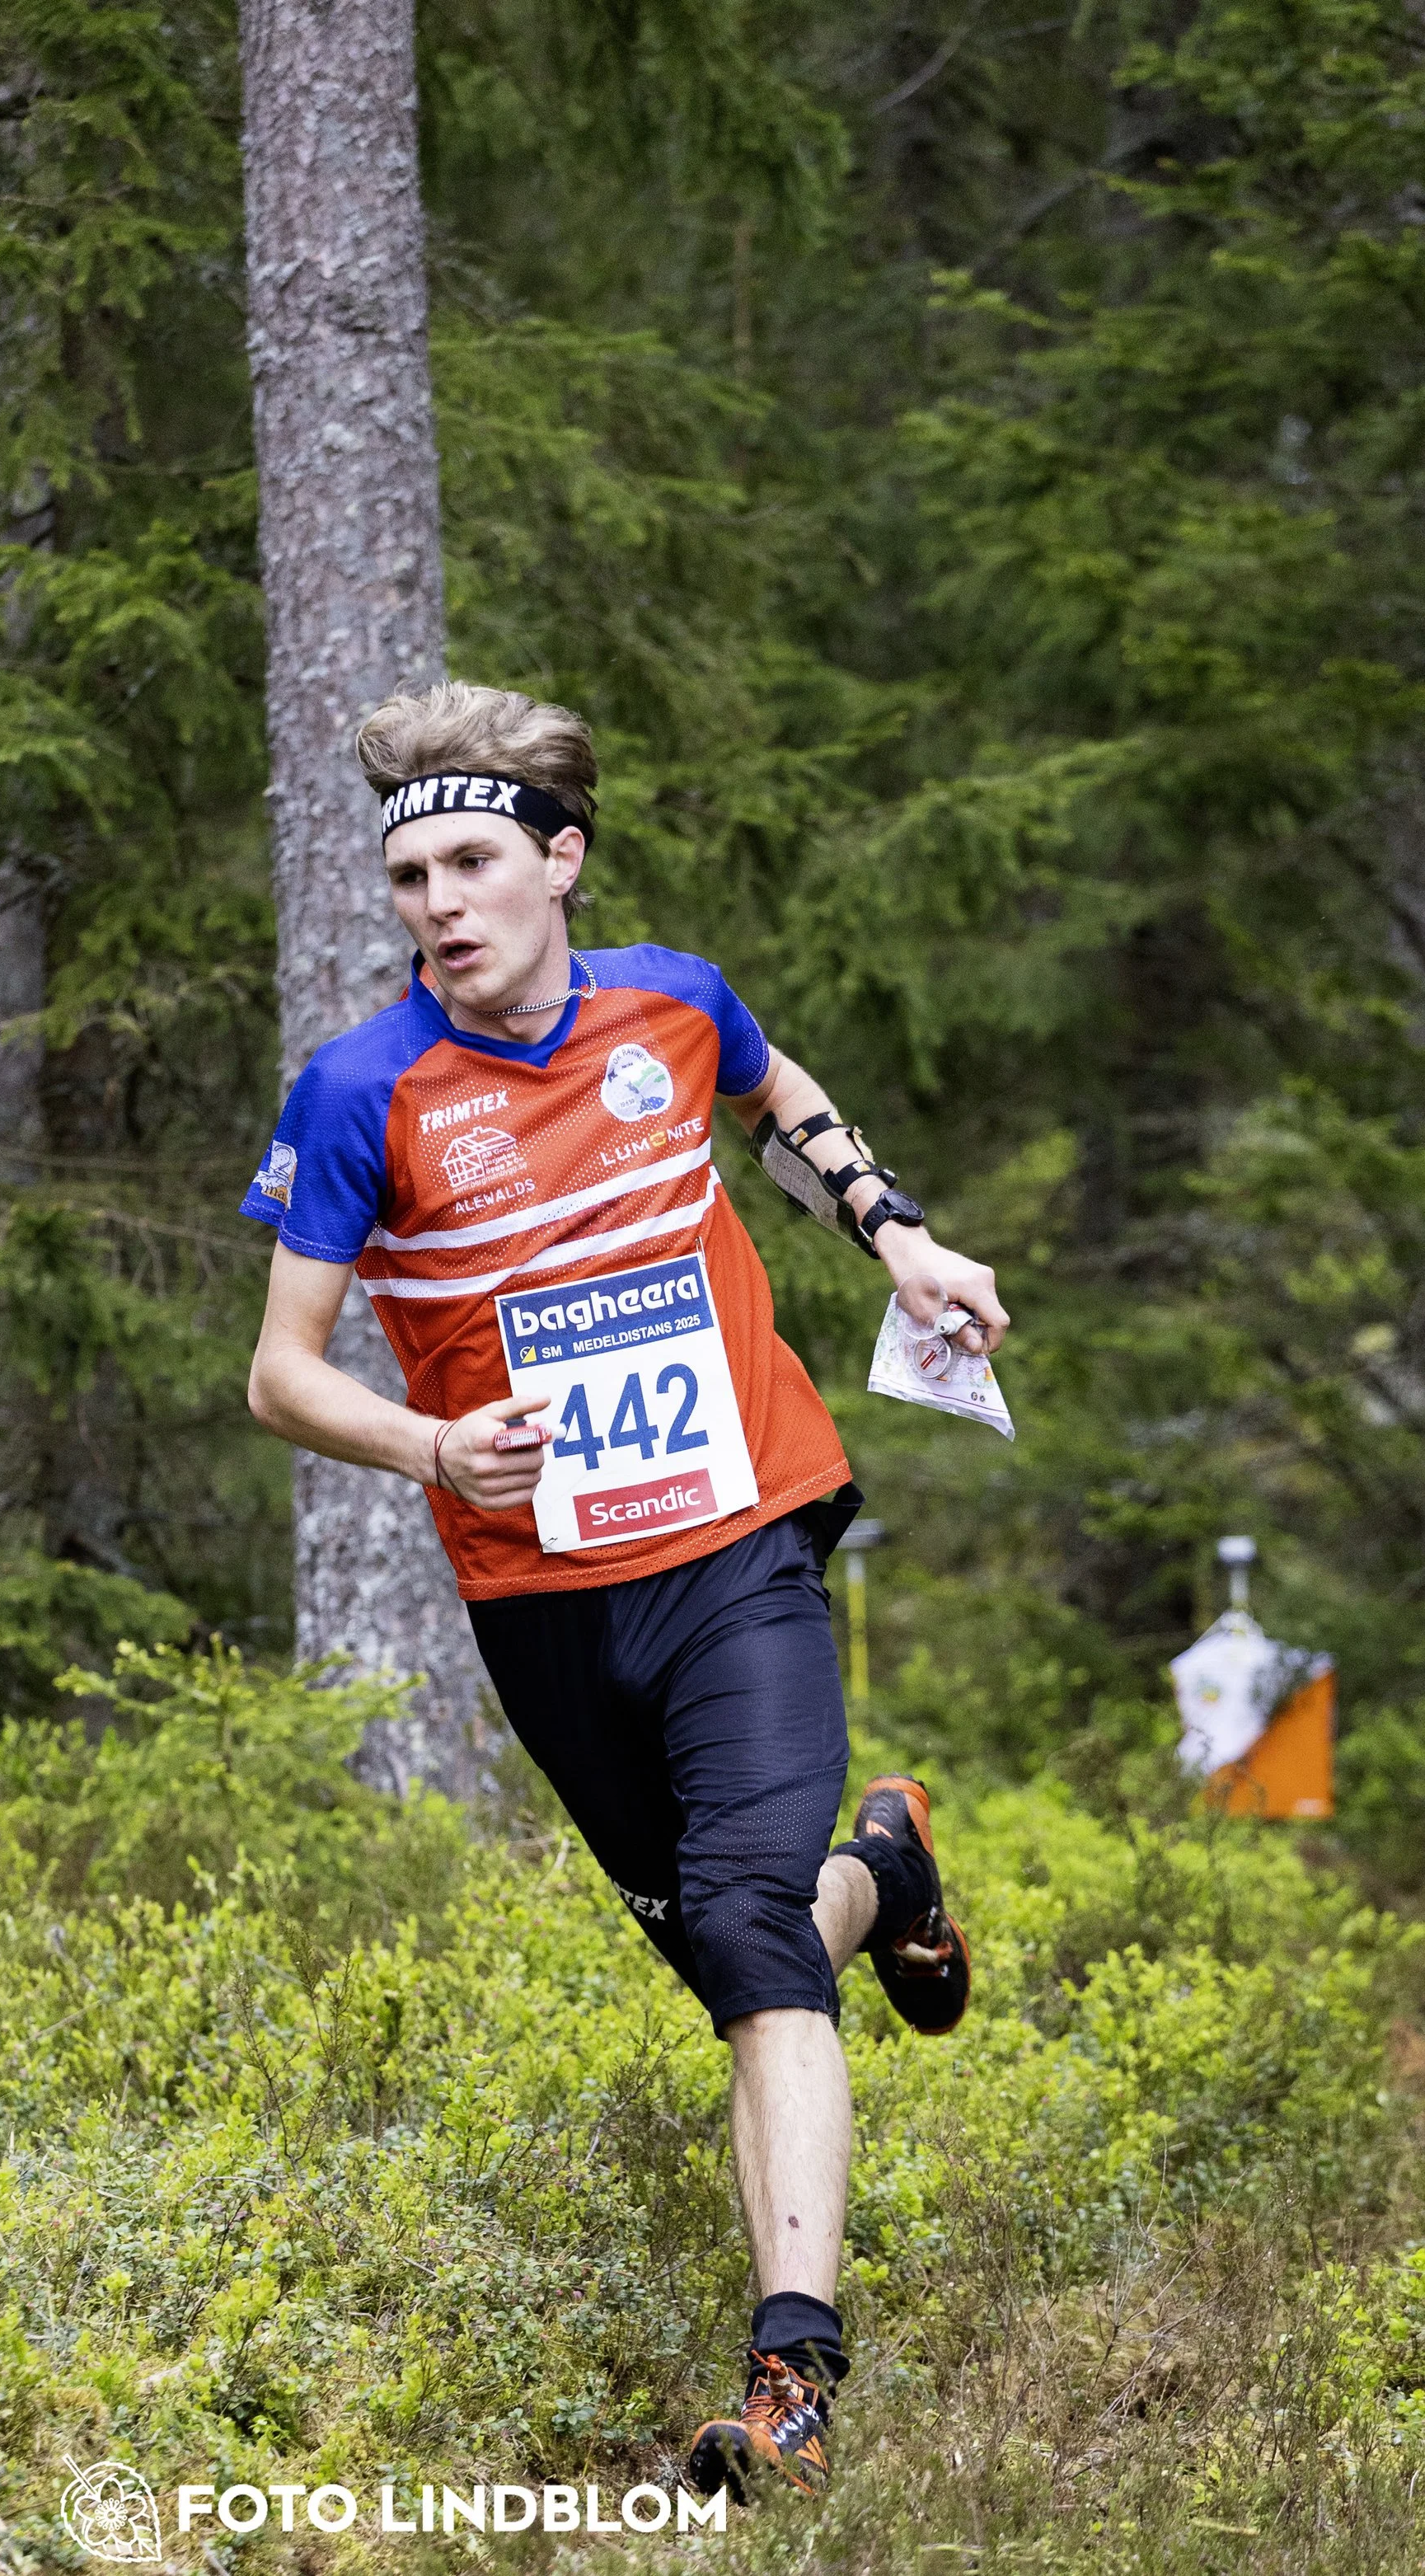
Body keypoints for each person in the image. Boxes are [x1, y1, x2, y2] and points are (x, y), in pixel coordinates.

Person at [240, 683, 1009, 2500]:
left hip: (743, 1530)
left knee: (743, 1927)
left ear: (558, 862)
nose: (437, 900)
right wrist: (432, 1451)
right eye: (408, 870)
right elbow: (281, 1370)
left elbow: (775, 1099)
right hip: (542, 1591)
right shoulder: (361, 1090)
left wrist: (897, 1236)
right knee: (731, 1957)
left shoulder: (673, 995)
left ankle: (790, 2372)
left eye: (473, 862)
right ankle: (881, 1867)